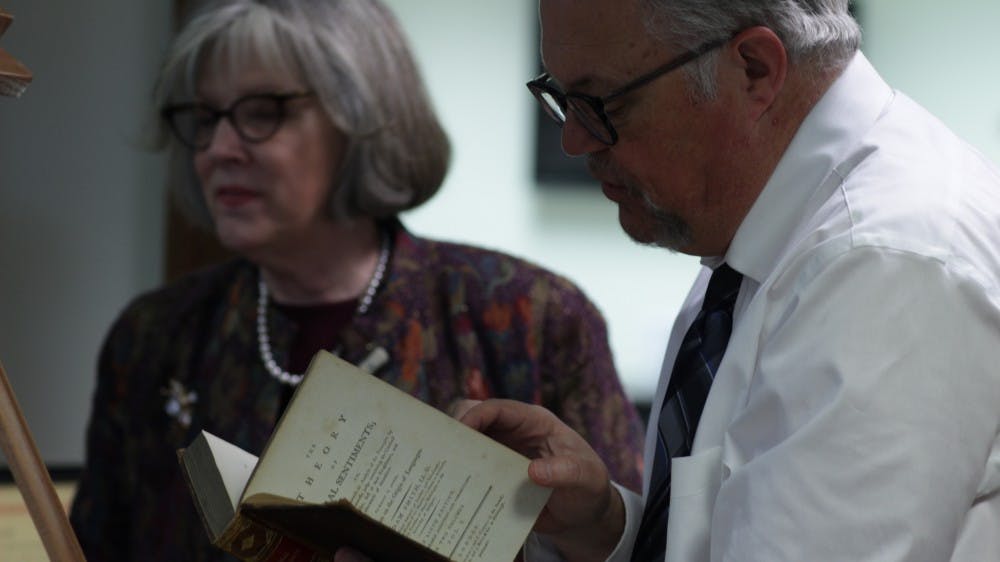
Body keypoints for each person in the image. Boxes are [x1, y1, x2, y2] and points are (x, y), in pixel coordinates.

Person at [67, 1, 644, 560]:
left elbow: (629, 544)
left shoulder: (529, 316)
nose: (218, 149)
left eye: (262, 113)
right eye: (203, 119)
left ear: (362, 120)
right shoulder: (156, 336)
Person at [455, 0, 1000, 561]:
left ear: (754, 69)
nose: (575, 141)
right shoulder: (777, 227)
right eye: (563, 97)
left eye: (603, 103)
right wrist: (606, 528)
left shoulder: (882, 263)